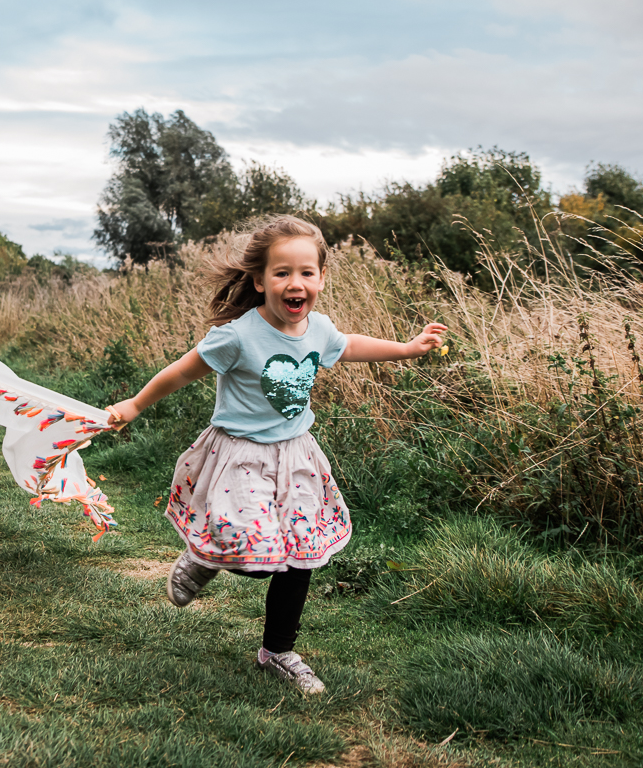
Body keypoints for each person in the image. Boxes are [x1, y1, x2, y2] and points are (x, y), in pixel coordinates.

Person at [105, 214, 446, 694]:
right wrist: (135, 404)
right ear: (260, 280)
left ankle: (278, 651)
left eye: (307, 272)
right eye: (282, 272)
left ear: (321, 279)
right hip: (240, 456)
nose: (295, 282)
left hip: (297, 456)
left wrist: (407, 348)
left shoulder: (318, 329)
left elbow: (350, 346)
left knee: (299, 556)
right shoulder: (237, 335)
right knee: (255, 553)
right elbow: (180, 373)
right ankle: (205, 558)